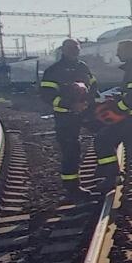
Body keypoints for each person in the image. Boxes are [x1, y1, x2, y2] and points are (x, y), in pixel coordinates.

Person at [93, 39, 132, 204]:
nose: (116, 54)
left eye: (120, 50)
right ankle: (114, 177)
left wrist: (117, 107)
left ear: (130, 51)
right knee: (106, 139)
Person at [39, 39, 97, 200]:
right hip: (65, 117)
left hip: (85, 112)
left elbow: (93, 85)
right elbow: (46, 95)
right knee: (71, 151)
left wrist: (88, 102)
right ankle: (72, 188)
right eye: (71, 48)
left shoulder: (82, 67)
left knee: (105, 136)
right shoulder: (53, 71)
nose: (75, 51)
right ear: (63, 50)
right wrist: (70, 105)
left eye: (77, 48)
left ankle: (108, 174)